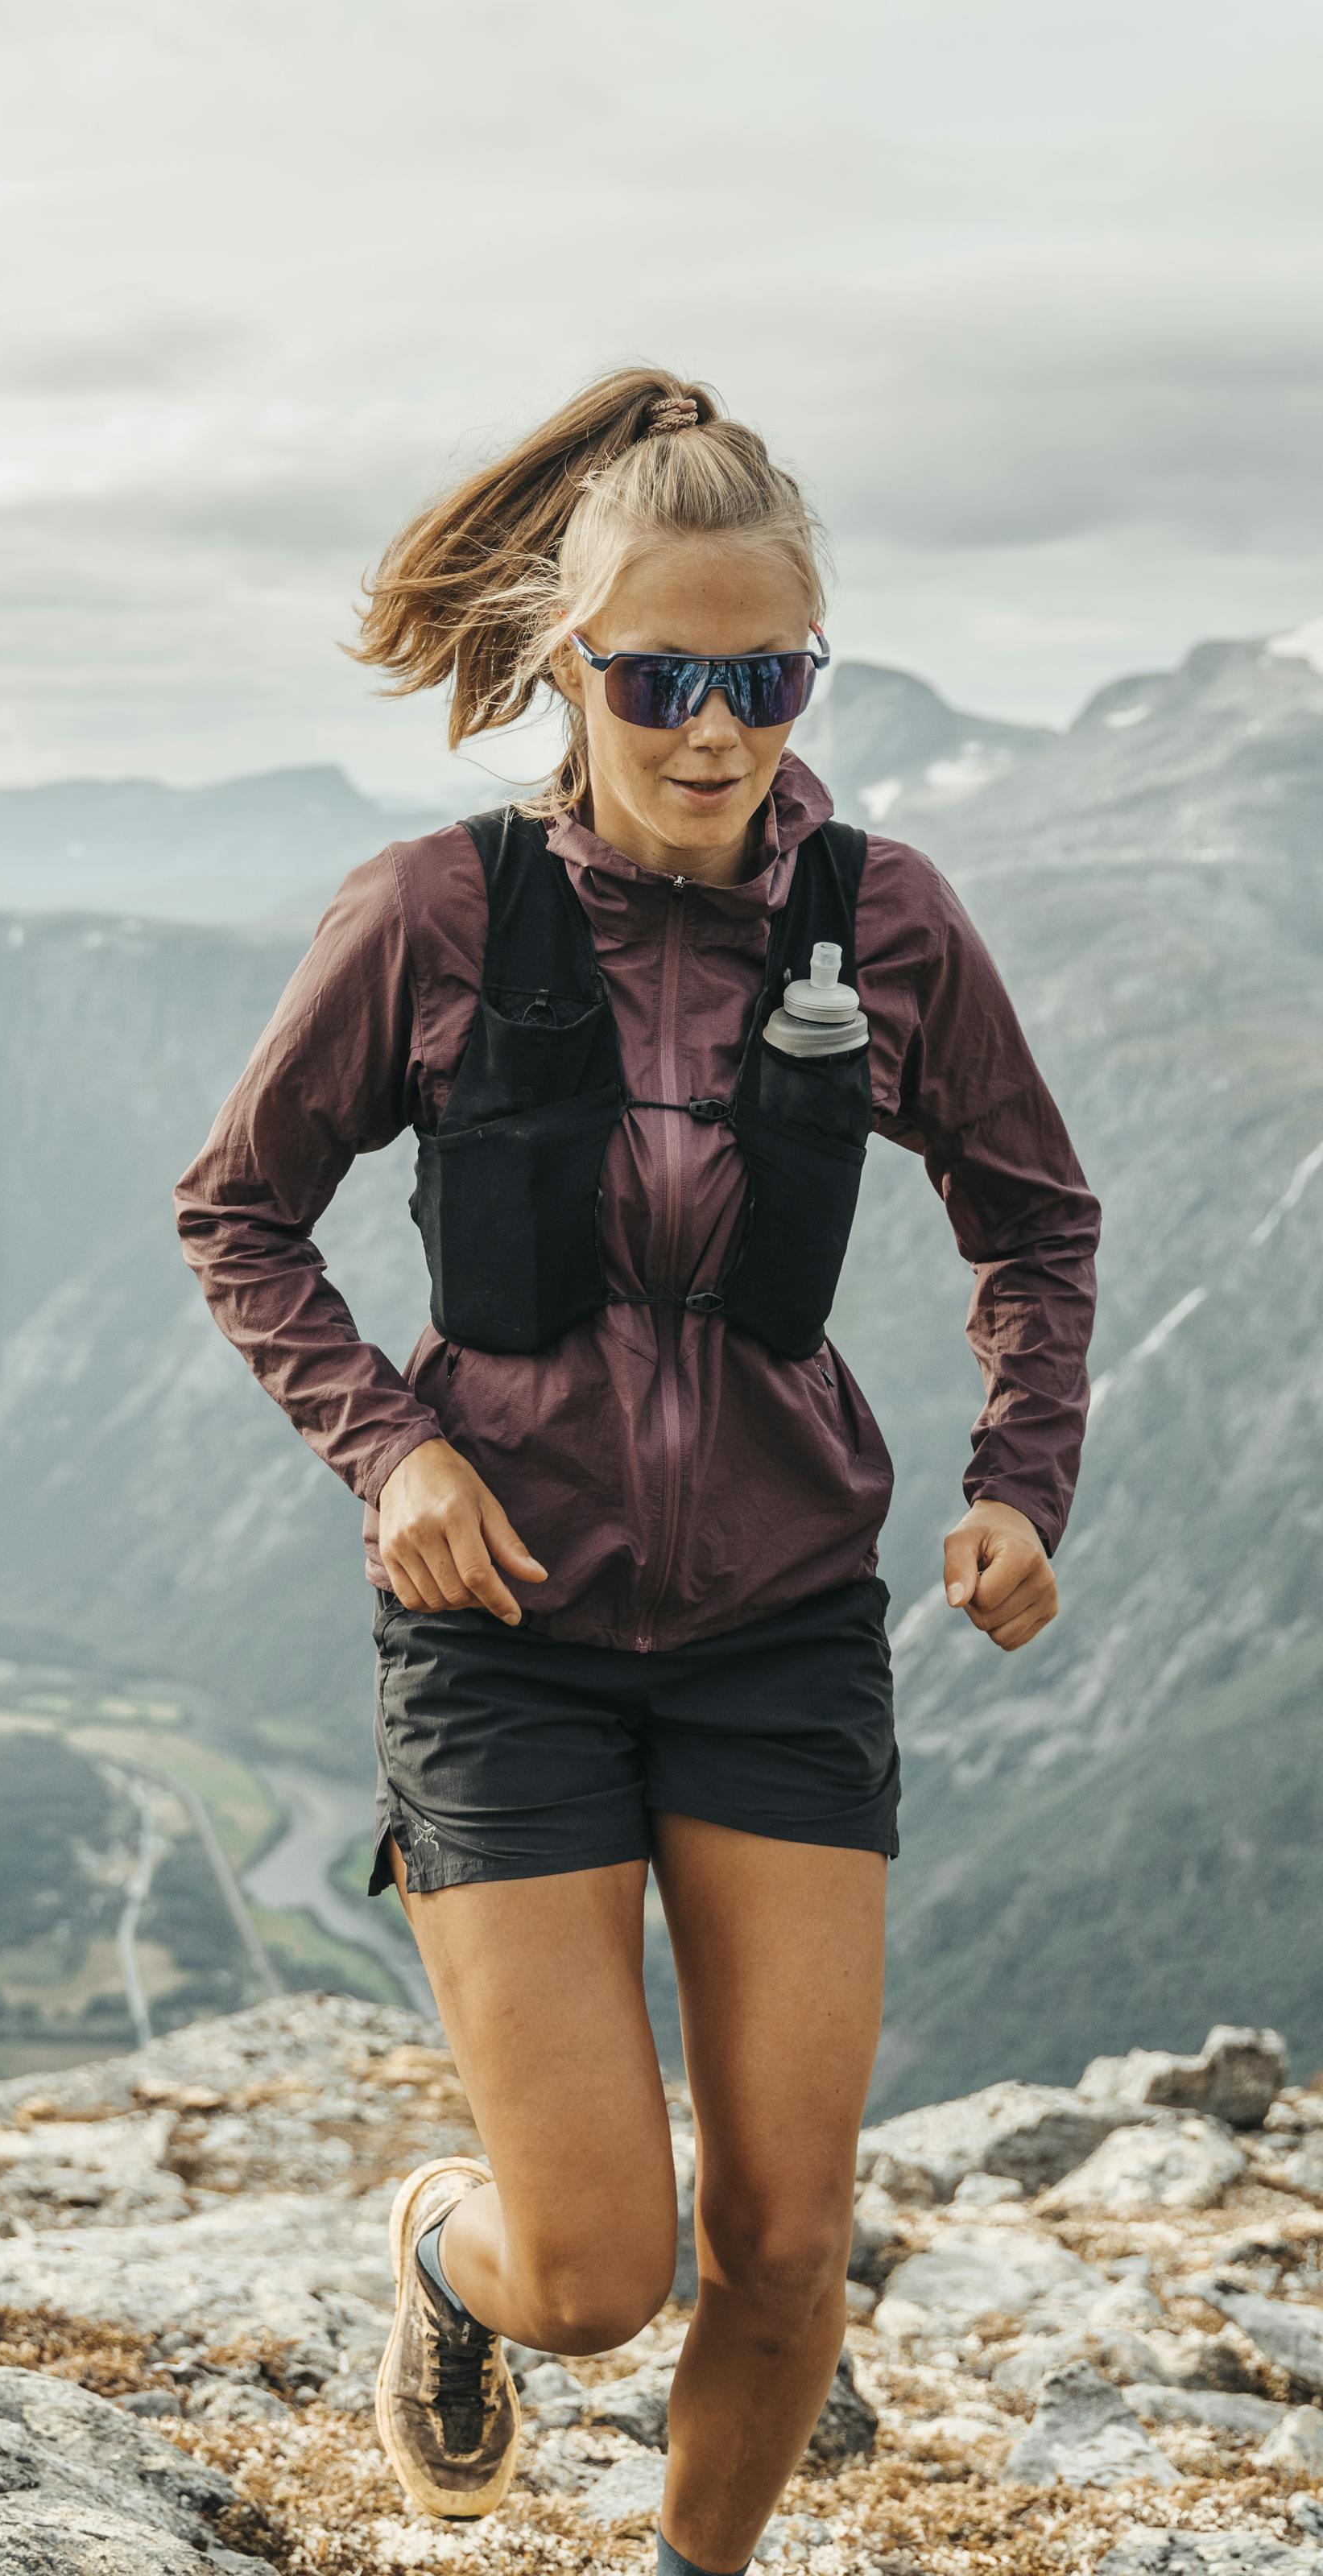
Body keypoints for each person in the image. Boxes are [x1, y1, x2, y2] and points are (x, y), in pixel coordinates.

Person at [172, 367, 1098, 2576]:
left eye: (765, 678)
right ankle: (447, 2258)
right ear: (569, 668)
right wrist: (387, 1449)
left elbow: (1035, 1215)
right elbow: (238, 1213)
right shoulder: (435, 918)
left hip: (783, 1630)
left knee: (784, 2241)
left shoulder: (887, 923)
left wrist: (1020, 1480)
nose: (714, 730)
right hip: (503, 1643)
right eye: (662, 676)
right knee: (599, 2272)